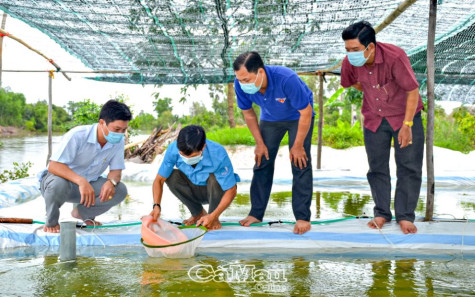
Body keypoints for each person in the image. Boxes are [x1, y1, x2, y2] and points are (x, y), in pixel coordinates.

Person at [340, 21, 424, 234]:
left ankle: (405, 216)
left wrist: (407, 125)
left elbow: (412, 91)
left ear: (370, 47)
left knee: (408, 166)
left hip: (405, 116)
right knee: (377, 167)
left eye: (355, 50)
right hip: (374, 119)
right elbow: (352, 83)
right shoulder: (349, 62)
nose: (351, 54)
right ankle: (382, 213)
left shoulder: (395, 57)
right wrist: (372, 90)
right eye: (347, 50)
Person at [233, 51, 315, 234]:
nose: (242, 83)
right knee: (262, 160)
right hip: (270, 119)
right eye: (239, 80)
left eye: (247, 79)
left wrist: (298, 145)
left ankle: (302, 217)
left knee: (299, 161)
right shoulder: (240, 85)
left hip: (298, 117)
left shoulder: (286, 78)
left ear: (261, 72)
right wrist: (259, 143)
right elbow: (248, 113)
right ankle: (256, 213)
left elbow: (306, 112)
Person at [39, 100, 132, 233]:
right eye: (116, 129)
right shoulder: (77, 135)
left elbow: (116, 171)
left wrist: (111, 182)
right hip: (60, 185)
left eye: (124, 130)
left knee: (120, 189)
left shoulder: (119, 141)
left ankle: (83, 214)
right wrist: (80, 181)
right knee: (58, 184)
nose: (120, 133)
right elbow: (53, 166)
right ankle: (51, 222)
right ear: (102, 123)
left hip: (88, 187)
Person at [150, 125, 239, 230]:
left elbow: (231, 189)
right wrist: (156, 206)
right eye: (183, 155)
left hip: (213, 191)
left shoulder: (218, 152)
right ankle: (198, 213)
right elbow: (159, 181)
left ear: (203, 147)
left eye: (192, 156)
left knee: (215, 178)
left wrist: (214, 215)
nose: (187, 159)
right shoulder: (173, 149)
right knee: (171, 176)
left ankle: (212, 217)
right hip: (193, 189)